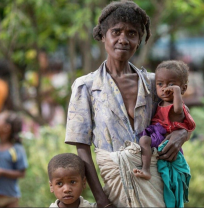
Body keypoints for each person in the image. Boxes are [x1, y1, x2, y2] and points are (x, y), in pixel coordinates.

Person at [65, 1, 190, 207]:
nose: (123, 39)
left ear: (139, 40)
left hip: (156, 185)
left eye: (131, 34)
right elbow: (82, 148)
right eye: (116, 32)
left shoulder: (154, 84)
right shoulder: (85, 87)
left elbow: (180, 120)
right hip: (115, 190)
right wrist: (101, 200)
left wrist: (181, 135)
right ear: (103, 35)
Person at [133, 60, 195, 180]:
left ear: (183, 88)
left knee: (145, 141)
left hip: (166, 139)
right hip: (157, 135)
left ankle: (146, 170)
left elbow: (178, 110)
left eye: (171, 84)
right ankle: (145, 169)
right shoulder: (159, 102)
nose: (165, 88)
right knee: (144, 140)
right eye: (160, 84)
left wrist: (176, 92)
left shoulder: (176, 105)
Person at [0, 112, 28, 207]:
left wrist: (2, 172)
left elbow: (22, 173)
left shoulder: (16, 150)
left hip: (11, 198)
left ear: (6, 128)